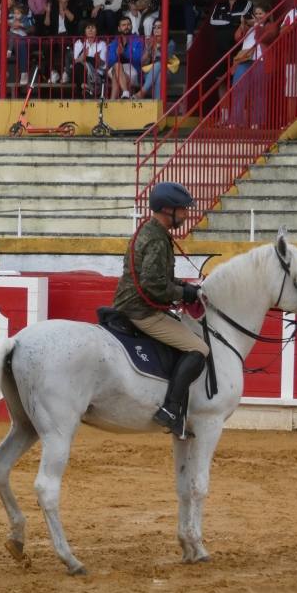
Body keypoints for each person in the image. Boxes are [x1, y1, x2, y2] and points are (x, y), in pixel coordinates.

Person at [113, 182, 208, 439]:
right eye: (183, 209)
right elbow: (153, 285)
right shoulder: (156, 239)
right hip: (142, 310)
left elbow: (159, 279)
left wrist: (185, 287)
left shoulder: (152, 231)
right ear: (168, 209)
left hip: (132, 303)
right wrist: (183, 293)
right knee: (199, 349)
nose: (187, 214)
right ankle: (171, 409)